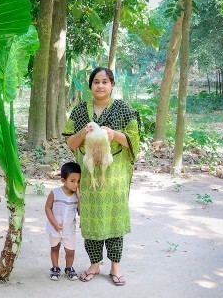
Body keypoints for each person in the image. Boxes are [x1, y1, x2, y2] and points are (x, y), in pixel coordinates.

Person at [62, 67, 140, 286]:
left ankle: (115, 266)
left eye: (105, 81)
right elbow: (70, 143)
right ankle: (94, 264)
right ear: (91, 86)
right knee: (91, 218)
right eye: (96, 81)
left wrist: (114, 134)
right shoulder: (79, 112)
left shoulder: (124, 110)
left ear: (112, 85)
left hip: (114, 177)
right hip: (88, 177)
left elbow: (134, 141)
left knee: (114, 217)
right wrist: (83, 132)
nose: (100, 85)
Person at [45, 162, 81, 281]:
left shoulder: (77, 195)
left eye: (78, 181)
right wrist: (54, 223)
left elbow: (80, 212)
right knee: (55, 248)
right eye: (73, 180)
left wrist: (80, 198)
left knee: (70, 251)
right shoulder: (55, 193)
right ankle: (55, 268)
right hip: (54, 227)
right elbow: (47, 208)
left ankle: (69, 268)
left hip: (69, 229)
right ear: (63, 180)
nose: (76, 184)